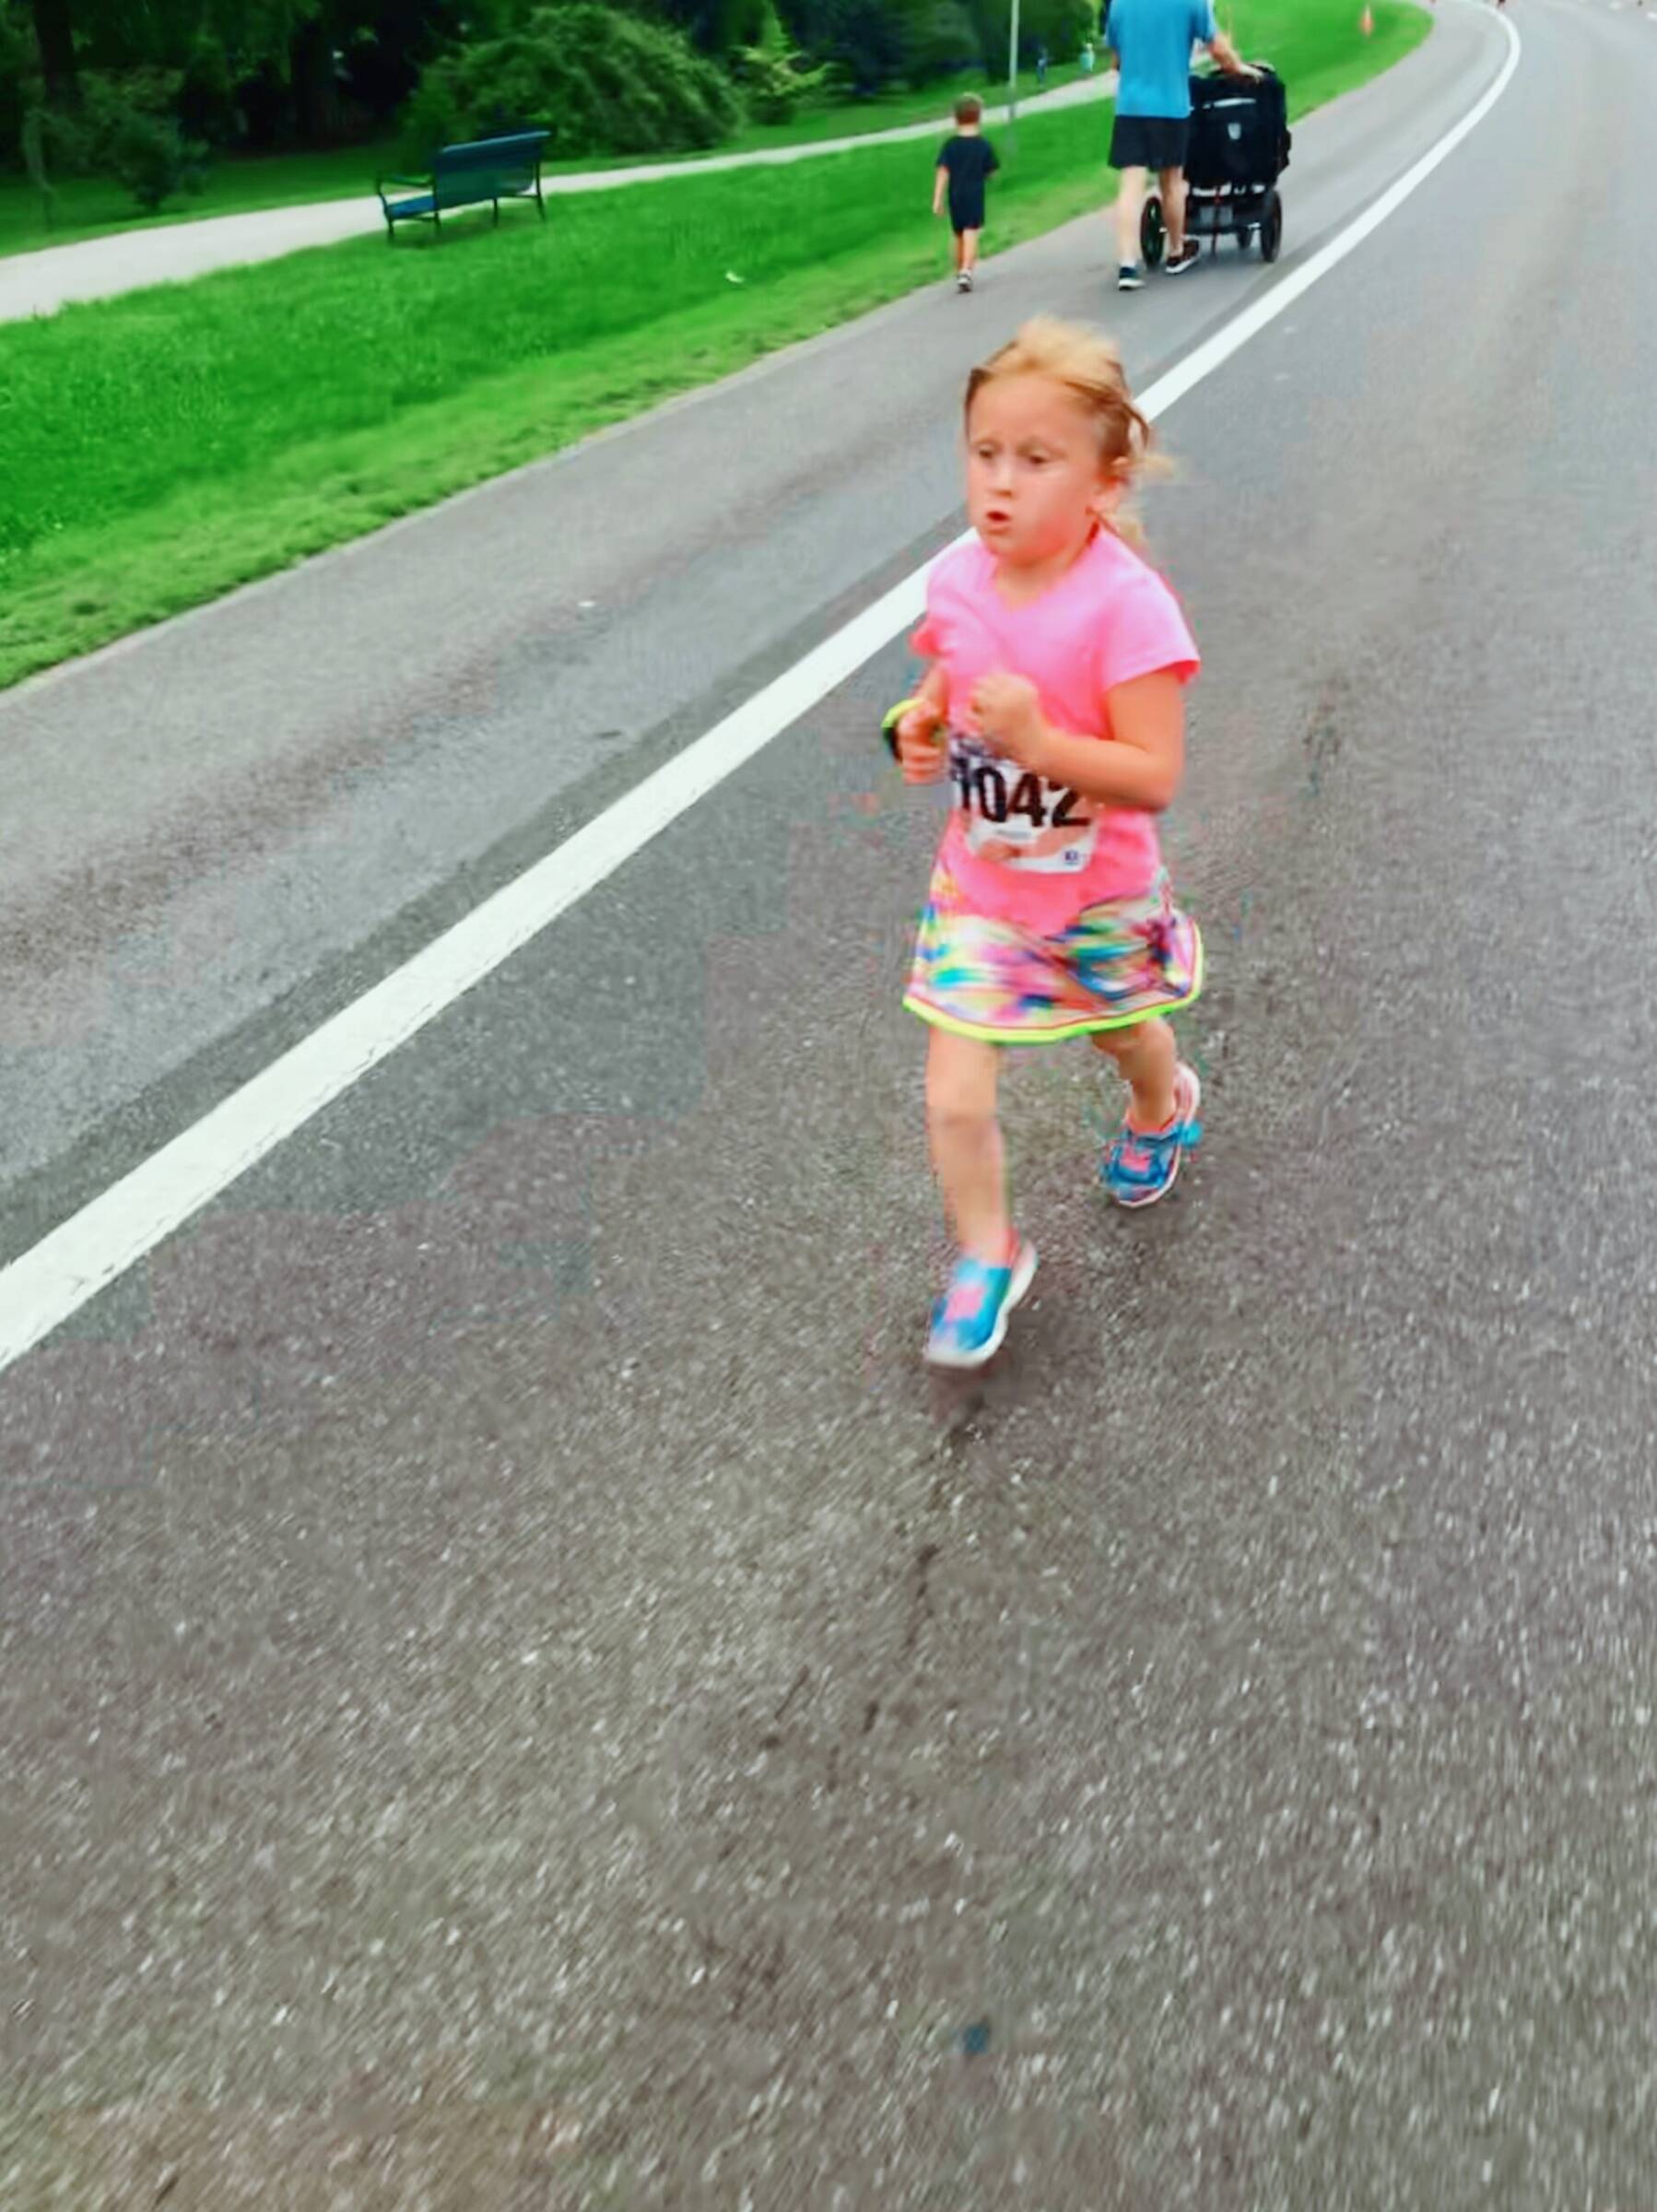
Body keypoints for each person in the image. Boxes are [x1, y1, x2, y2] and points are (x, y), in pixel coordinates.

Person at [888, 320, 1205, 1370]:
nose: (1001, 484)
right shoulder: (954, 579)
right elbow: (946, 669)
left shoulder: (1128, 610)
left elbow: (1152, 775)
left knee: (1123, 1035)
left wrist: (1039, 741)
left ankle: (1161, 1106)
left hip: (1097, 900)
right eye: (985, 453)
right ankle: (988, 1252)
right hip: (981, 891)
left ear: (1104, 486)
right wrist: (922, 721)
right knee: (952, 1089)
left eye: (1037, 459)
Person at [1103, 0, 1259, 290]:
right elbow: (1218, 49)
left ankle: (1127, 264)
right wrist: (1239, 69)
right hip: (1169, 105)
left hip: (1130, 106)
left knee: (1130, 184)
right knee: (1172, 182)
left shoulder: (1120, 4)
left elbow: (1117, 60)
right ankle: (1176, 251)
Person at [933, 94, 999, 294]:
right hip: (974, 194)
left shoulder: (950, 145)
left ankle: (959, 269)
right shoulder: (983, 145)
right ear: (979, 117)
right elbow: (992, 171)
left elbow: (943, 171)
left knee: (959, 233)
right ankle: (966, 270)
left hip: (955, 194)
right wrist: (987, 175)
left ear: (955, 118)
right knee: (971, 230)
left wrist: (937, 198)